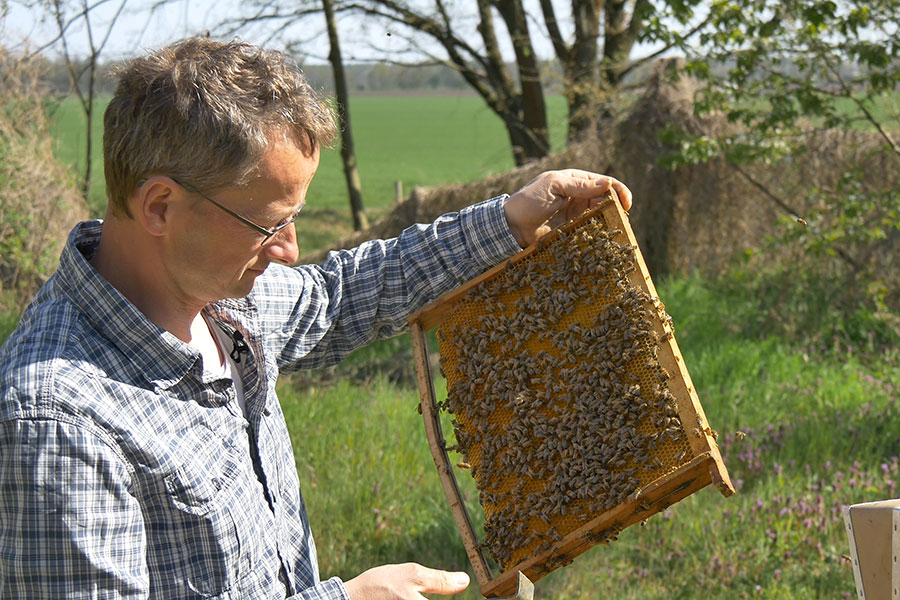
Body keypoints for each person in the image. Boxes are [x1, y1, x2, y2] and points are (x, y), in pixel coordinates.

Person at [0, 36, 632, 599]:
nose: (290, 250)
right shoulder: (58, 426)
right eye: (269, 223)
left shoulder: (218, 293)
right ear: (160, 206)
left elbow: (345, 293)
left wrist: (506, 223)